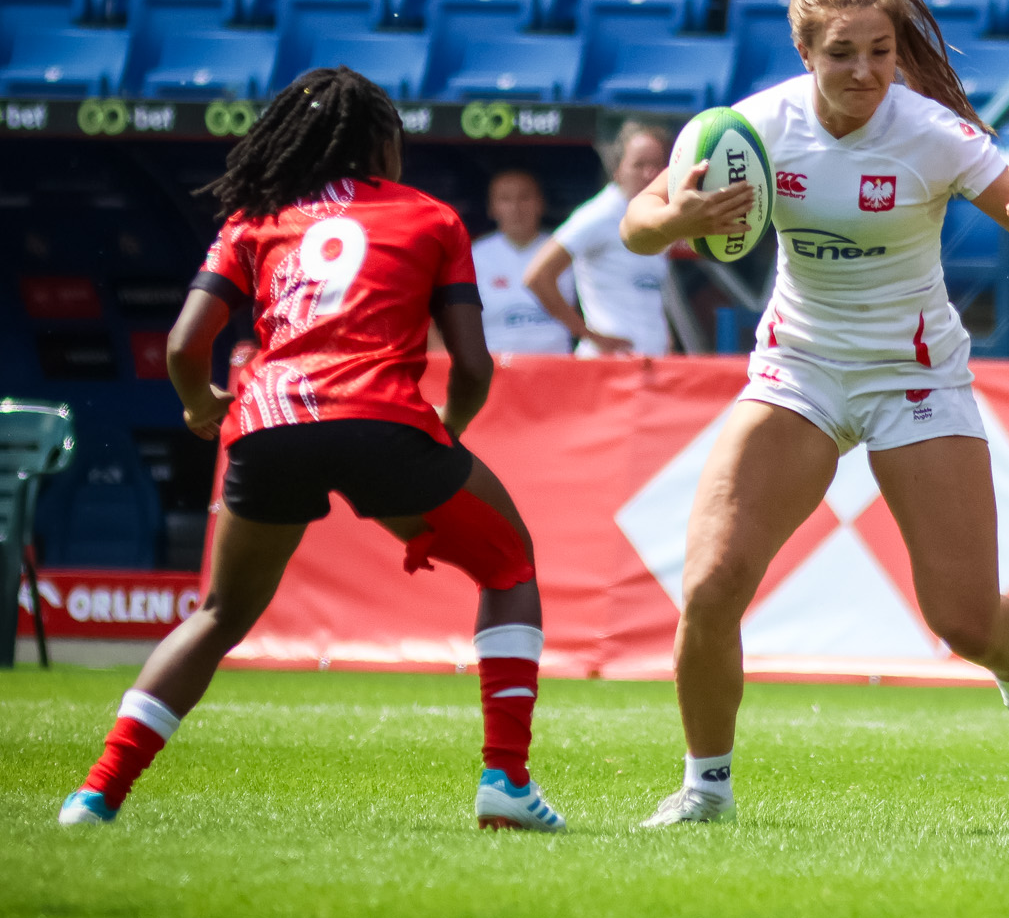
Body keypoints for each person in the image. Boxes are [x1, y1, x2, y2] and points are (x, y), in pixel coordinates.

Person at [618, 0, 1009, 827]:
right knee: (713, 582)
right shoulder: (751, 128)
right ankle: (705, 790)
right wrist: (678, 219)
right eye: (843, 53)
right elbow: (638, 223)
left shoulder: (934, 133)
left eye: (880, 51)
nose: (866, 71)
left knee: (962, 619)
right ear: (804, 50)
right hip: (797, 366)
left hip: (915, 375)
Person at [57, 67, 563, 832]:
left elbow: (185, 344)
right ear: (380, 140)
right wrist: (444, 438)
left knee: (221, 613)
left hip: (268, 426)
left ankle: (96, 795)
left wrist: (200, 405)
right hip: (383, 422)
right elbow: (473, 366)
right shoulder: (431, 218)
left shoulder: (254, 218)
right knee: (509, 563)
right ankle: (506, 781)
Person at [523, 123, 673, 357]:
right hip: (610, 368)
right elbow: (537, 276)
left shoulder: (657, 214)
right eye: (639, 165)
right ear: (617, 169)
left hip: (652, 363)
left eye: (657, 165)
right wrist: (588, 334)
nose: (649, 174)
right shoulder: (599, 214)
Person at [473, 168, 575, 355]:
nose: (515, 208)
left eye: (524, 198)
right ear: (492, 208)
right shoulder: (475, 255)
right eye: (505, 199)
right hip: (497, 371)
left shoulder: (565, 249)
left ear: (541, 203)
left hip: (558, 367)